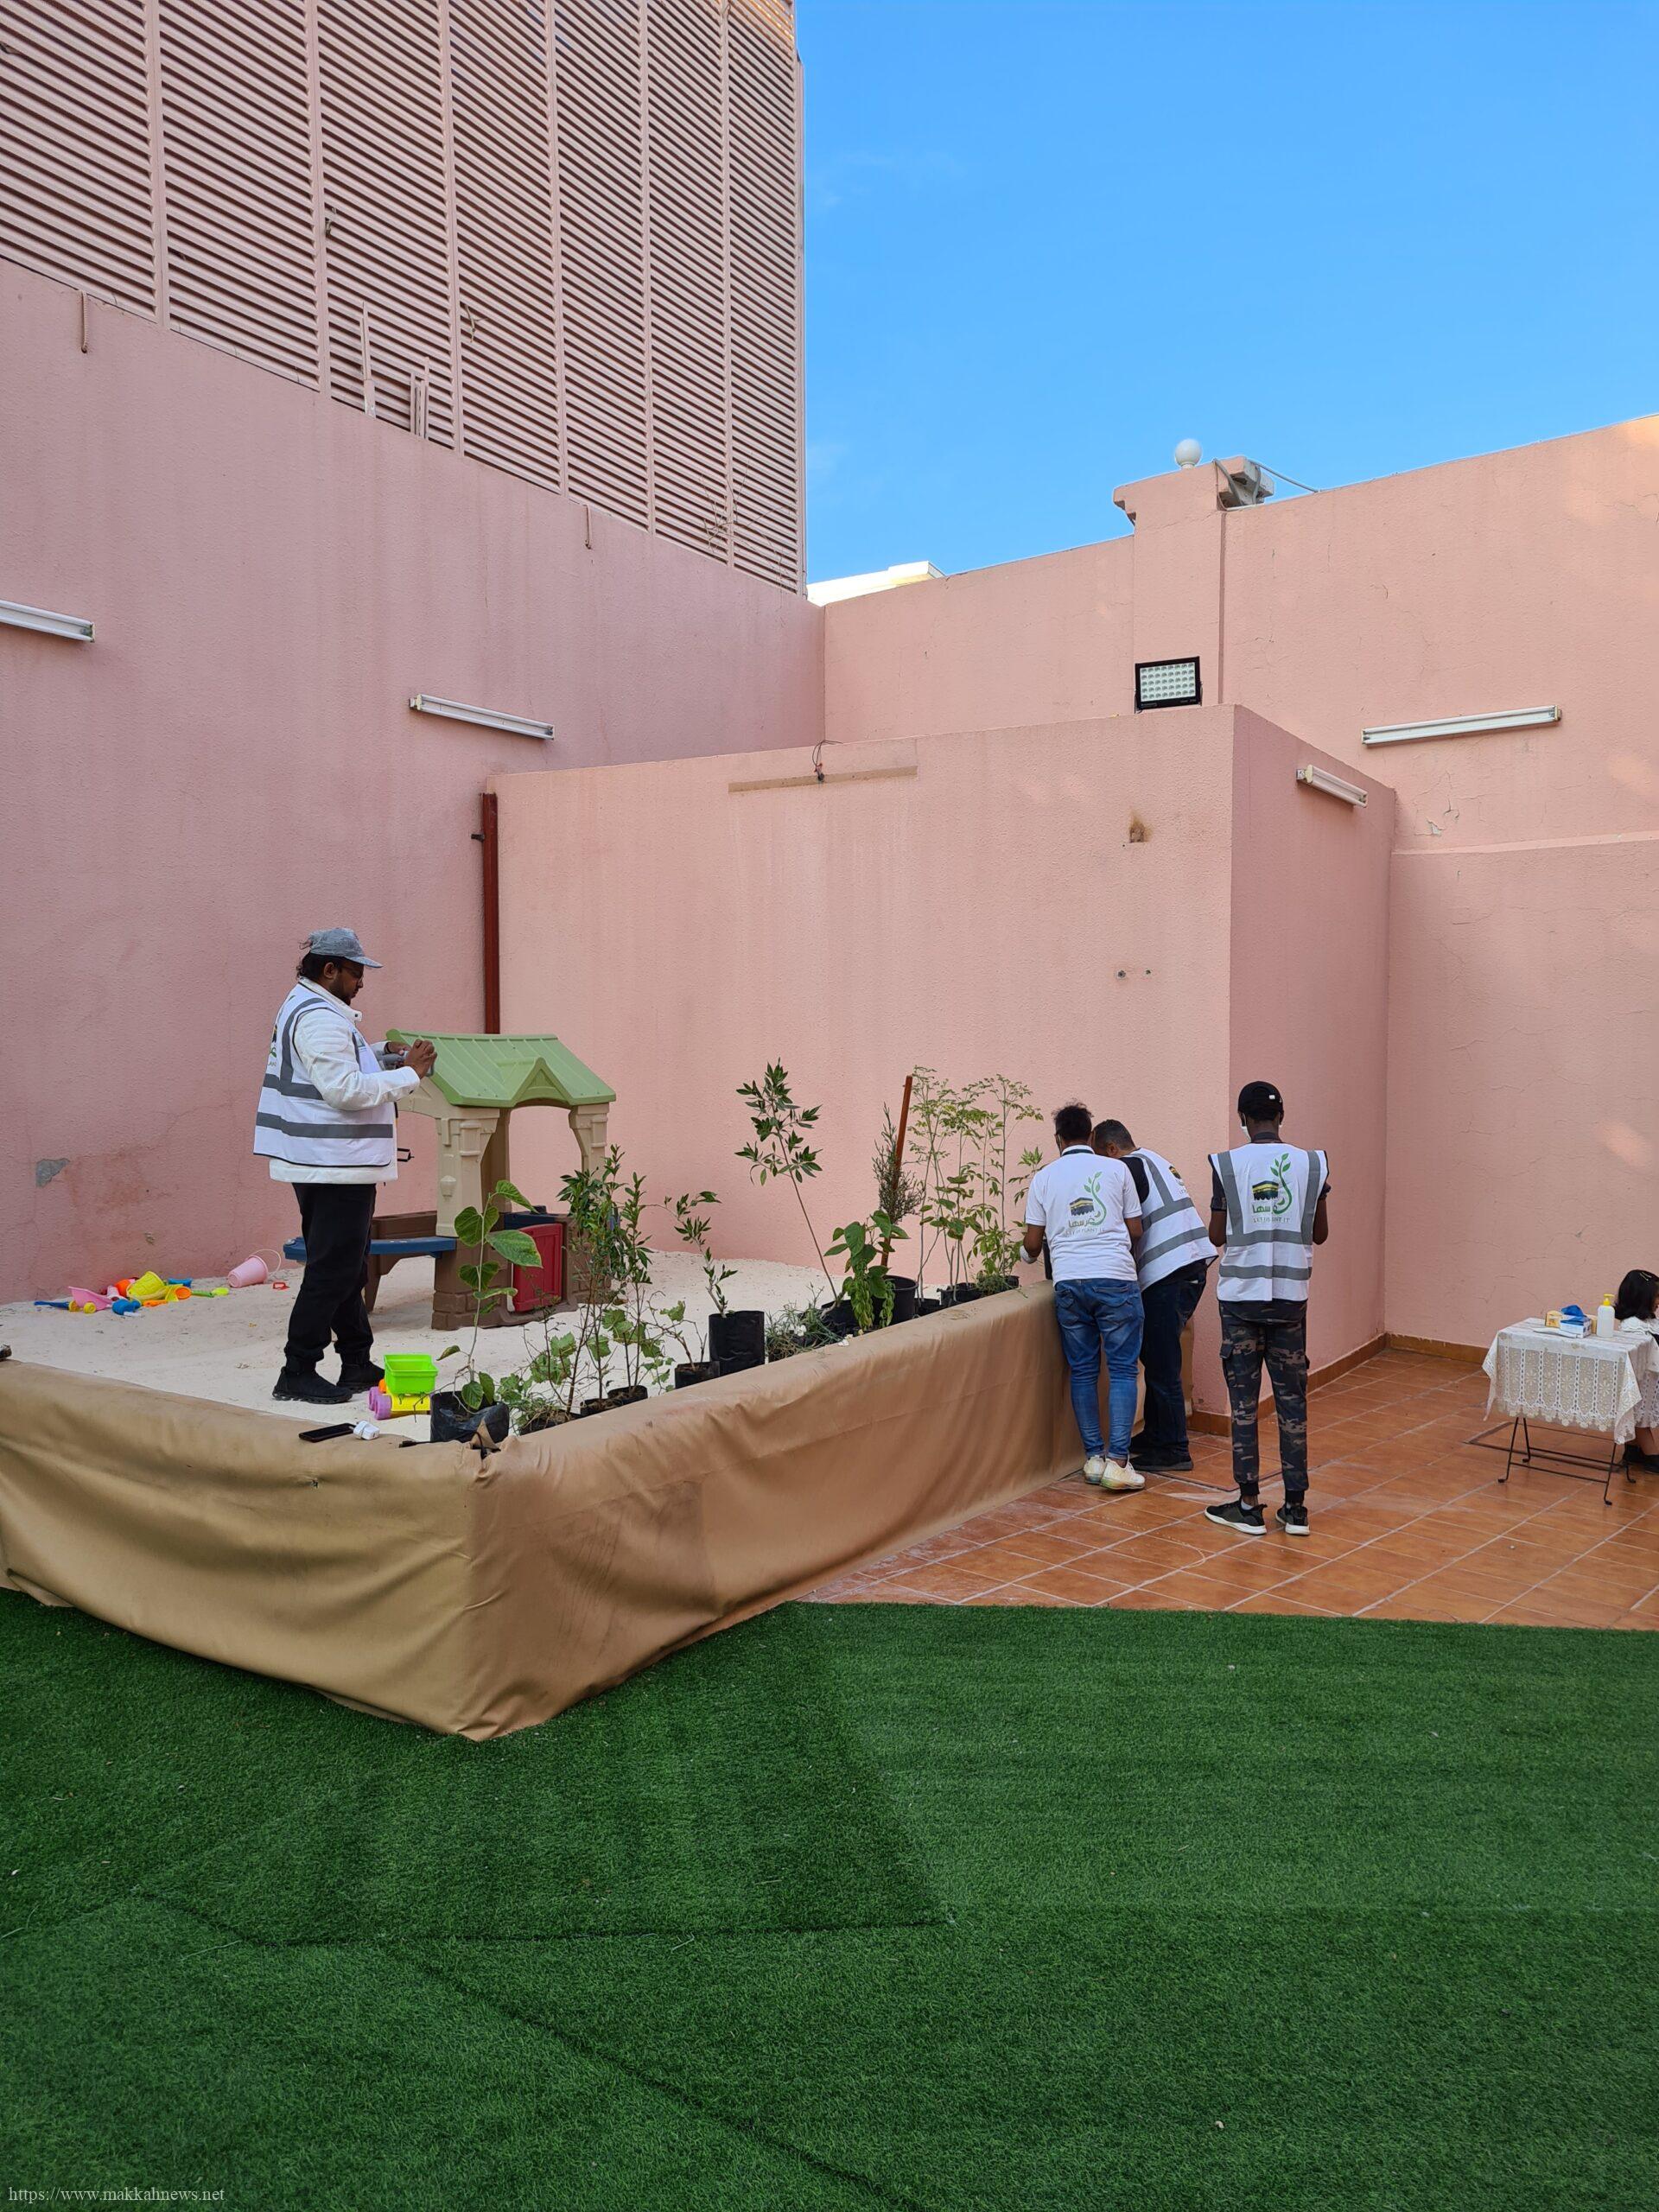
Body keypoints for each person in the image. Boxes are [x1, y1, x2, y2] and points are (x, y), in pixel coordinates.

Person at [254, 930, 436, 1404]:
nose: (361, 982)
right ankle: (297, 1370)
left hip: (325, 1160)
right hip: (333, 1163)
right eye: (356, 972)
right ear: (329, 969)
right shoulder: (319, 1017)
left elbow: (335, 1066)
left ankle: (356, 1361)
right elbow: (343, 1090)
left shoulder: (310, 1007)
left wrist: (381, 1054)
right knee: (333, 1270)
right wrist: (410, 1074)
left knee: (347, 1267)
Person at [1203, 1081, 1329, 1537]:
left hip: (1241, 1301)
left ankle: (1248, 1504)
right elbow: (1320, 1233)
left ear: (1242, 1118)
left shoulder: (1228, 1165)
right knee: (1292, 1403)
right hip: (1290, 1300)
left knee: (1243, 1406)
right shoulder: (1313, 1164)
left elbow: (1217, 1236)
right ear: (1281, 1116)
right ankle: (1295, 1508)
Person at [1020, 1102, 1145, 1491]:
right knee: (1123, 1370)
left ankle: (1093, 1458)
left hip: (1070, 1283)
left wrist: (1025, 1255)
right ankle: (1118, 1462)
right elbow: (1136, 1230)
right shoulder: (1117, 1169)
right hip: (1115, 1279)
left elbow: (1033, 1244)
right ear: (1091, 1136)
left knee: (1083, 1371)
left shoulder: (1044, 1178)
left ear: (1058, 1139)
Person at [1092, 1120, 1214, 1473]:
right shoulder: (1154, 1159)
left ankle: (1174, 1448)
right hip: (1189, 1264)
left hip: (1168, 1270)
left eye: (1100, 1157)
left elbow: (1124, 1224)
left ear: (1112, 1149)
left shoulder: (1127, 1168)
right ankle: (1158, 1434)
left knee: (1162, 1361)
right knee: (1157, 1353)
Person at [1614, 1269, 1659, 1467]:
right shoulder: (1632, 1326)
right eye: (1656, 1297)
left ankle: (1633, 1450)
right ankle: (1652, 1457)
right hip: (1641, 1381)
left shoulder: (1649, 1321)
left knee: (1643, 1414)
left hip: (1651, 1382)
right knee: (1640, 1417)